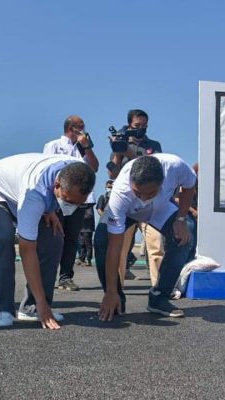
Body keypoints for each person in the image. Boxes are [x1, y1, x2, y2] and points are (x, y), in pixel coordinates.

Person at [0, 153, 96, 328]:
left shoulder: (79, 170)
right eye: (68, 201)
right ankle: (4, 309)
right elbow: (27, 250)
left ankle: (31, 309)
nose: (71, 207)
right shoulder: (35, 194)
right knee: (4, 237)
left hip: (21, 189)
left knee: (55, 238)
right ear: (57, 185)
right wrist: (42, 301)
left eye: (78, 203)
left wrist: (50, 208)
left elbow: (61, 190)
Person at [95, 154, 196, 321]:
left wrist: (181, 218)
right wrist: (111, 291)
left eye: (149, 193)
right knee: (101, 239)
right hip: (128, 211)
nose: (142, 199)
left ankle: (159, 298)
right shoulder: (121, 193)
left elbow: (190, 185)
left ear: (163, 182)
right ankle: (114, 298)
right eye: (137, 192)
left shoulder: (176, 167)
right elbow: (114, 247)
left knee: (185, 236)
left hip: (161, 208)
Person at [106, 109, 163, 286]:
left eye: (144, 126)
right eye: (137, 126)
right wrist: (118, 152)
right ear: (129, 124)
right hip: (126, 202)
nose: (141, 129)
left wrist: (131, 154)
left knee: (156, 246)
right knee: (120, 248)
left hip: (149, 201)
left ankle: (160, 289)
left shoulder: (154, 145)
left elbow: (154, 169)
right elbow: (112, 174)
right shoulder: (121, 142)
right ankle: (116, 289)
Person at [42, 116, 99, 291]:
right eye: (80, 127)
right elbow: (46, 169)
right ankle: (46, 275)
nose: (83, 130)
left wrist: (87, 147)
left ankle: (66, 277)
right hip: (60, 199)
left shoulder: (84, 149)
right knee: (55, 236)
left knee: (72, 238)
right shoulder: (53, 145)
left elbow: (94, 167)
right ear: (70, 128)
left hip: (80, 200)